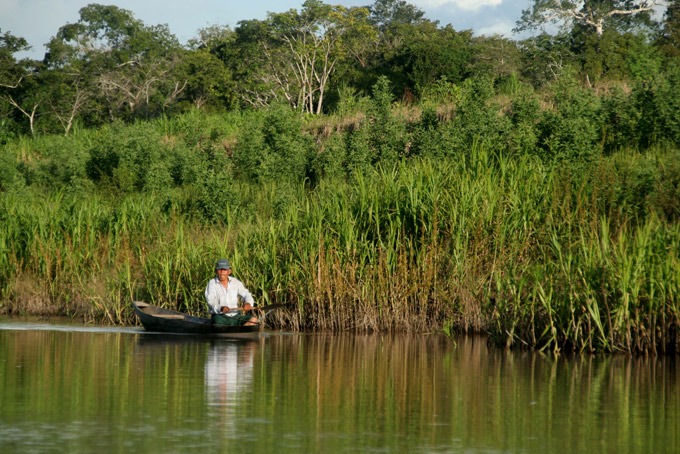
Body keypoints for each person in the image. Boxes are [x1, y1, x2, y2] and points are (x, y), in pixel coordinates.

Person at [205, 258, 258, 326]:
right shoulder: (212, 283)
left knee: (254, 320)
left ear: (229, 271)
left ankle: (239, 331)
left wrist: (248, 303)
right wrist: (221, 308)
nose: (222, 272)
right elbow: (211, 301)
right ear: (216, 271)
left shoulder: (235, 282)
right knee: (217, 322)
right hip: (220, 317)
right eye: (219, 269)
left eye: (224, 270)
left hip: (236, 317)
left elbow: (246, 294)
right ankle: (239, 332)